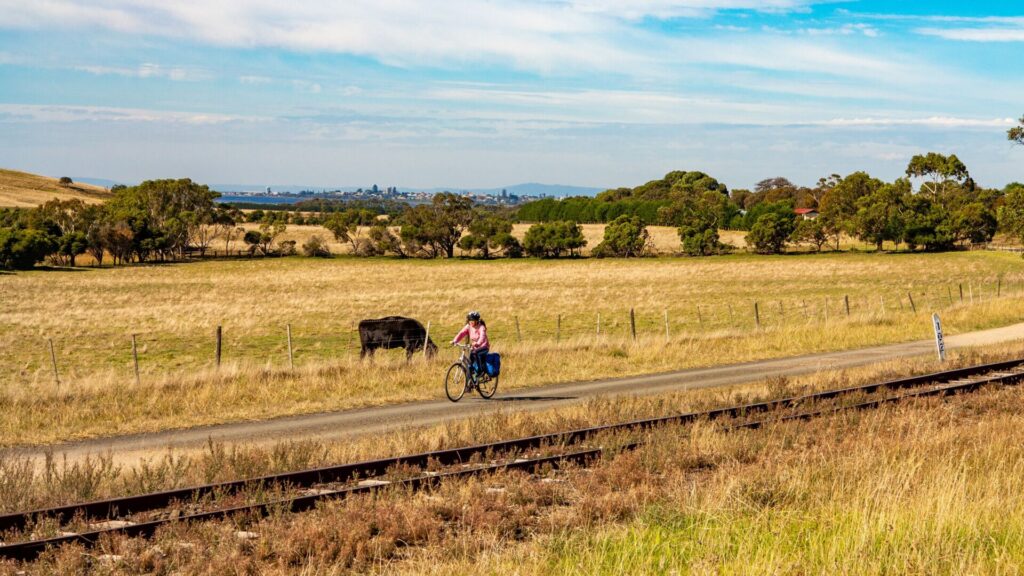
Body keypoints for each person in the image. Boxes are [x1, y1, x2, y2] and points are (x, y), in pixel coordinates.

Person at [452, 311, 489, 378]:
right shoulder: (468, 326)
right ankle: (469, 386)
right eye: (470, 320)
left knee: (474, 353)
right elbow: (461, 333)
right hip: (475, 347)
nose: (471, 322)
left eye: (473, 321)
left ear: (477, 321)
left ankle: (481, 372)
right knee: (469, 365)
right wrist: (455, 341)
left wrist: (478, 343)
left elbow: (482, 337)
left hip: (484, 346)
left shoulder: (481, 327)